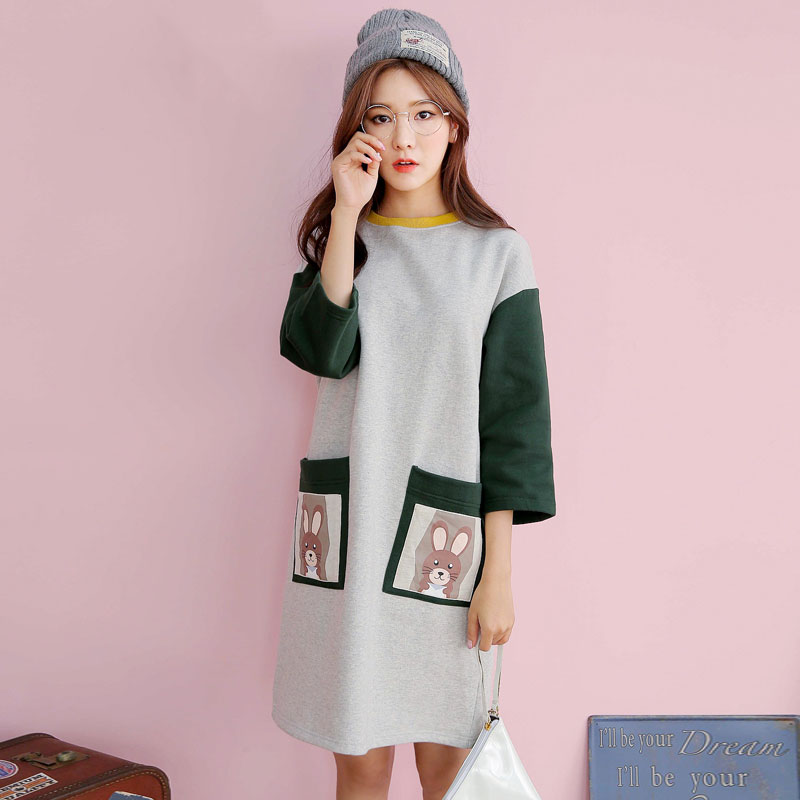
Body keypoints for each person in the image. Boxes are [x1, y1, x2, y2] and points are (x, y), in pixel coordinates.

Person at [272, 8, 556, 799]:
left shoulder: (497, 255)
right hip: (350, 541)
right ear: (356, 131)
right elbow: (320, 351)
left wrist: (499, 574)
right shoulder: (345, 246)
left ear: (455, 124)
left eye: (425, 114)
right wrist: (345, 213)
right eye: (381, 117)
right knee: (360, 764)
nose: (404, 137)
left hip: (448, 549)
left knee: (447, 766)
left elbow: (513, 423)